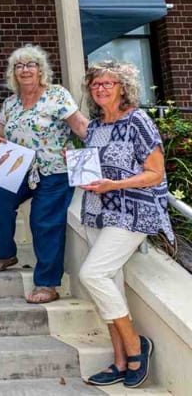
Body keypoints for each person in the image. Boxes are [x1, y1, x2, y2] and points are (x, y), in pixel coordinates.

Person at [80, 61, 173, 389]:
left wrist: (113, 185)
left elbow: (155, 173)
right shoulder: (93, 126)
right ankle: (120, 361)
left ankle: (136, 347)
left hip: (132, 211)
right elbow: (94, 169)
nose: (101, 89)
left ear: (122, 87)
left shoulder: (137, 120)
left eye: (108, 83)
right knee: (109, 284)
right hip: (96, 211)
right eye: (95, 85)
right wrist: (86, 178)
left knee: (91, 274)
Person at [0, 45, 88, 304]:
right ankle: (6, 253)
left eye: (31, 64)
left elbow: (82, 127)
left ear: (41, 70)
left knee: (43, 222)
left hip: (54, 169)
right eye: (19, 66)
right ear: (13, 73)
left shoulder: (57, 96)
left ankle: (47, 283)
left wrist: (107, 148)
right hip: (18, 169)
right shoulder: (10, 103)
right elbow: (2, 136)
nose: (25, 70)